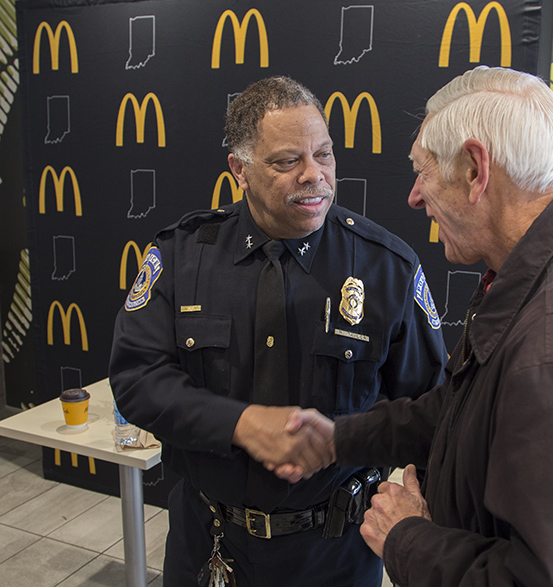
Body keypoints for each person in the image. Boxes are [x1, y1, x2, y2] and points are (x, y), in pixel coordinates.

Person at [282, 66, 553, 586]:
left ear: (474, 169)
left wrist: (407, 538)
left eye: (423, 171)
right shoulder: (534, 279)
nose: (414, 196)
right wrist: (340, 438)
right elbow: (464, 411)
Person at [108, 76, 448, 587]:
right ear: (240, 170)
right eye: (288, 162)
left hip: (335, 553)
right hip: (209, 543)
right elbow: (136, 378)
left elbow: (431, 408)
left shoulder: (386, 268)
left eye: (325, 155)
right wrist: (241, 424)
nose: (315, 176)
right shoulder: (182, 255)